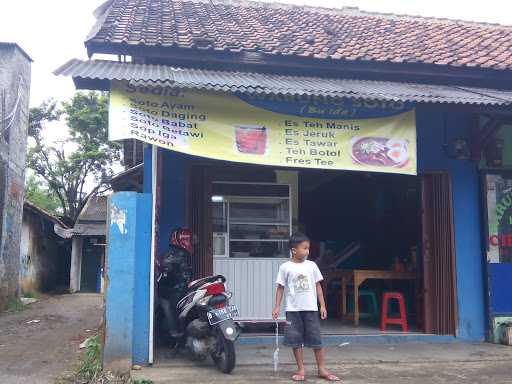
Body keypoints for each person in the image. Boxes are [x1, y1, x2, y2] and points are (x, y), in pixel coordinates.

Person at [272, 232, 340, 382]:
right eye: (304, 248)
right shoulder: (285, 267)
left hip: (311, 309)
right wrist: (276, 307)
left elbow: (318, 287)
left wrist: (322, 305)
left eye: (308, 248)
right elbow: (280, 288)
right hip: (293, 310)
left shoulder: (312, 265)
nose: (308, 251)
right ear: (294, 250)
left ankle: (322, 369)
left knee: (317, 340)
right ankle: (301, 369)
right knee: (296, 341)